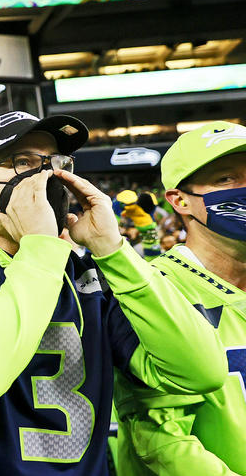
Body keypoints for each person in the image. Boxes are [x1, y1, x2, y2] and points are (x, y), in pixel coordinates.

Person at [0, 111, 226, 475]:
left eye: (56, 163)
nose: (45, 176)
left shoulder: (86, 277)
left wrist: (114, 250)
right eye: (24, 162)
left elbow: (201, 371)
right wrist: (42, 246)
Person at [114, 121, 246, 475]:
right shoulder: (152, 291)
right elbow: (160, 439)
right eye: (225, 180)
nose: (243, 187)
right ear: (179, 200)